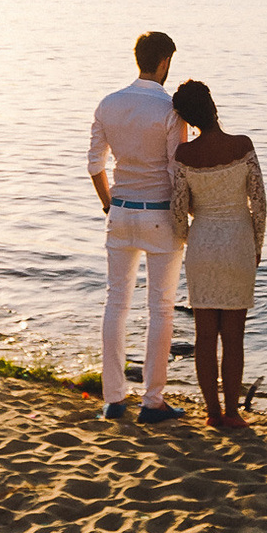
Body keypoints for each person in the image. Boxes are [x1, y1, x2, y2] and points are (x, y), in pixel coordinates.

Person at [87, 31, 186, 423]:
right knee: (160, 308)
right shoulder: (170, 108)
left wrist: (108, 202)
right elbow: (176, 170)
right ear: (164, 63)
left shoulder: (109, 103)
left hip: (121, 211)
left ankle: (113, 398)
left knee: (116, 303)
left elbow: (95, 163)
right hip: (160, 213)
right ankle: (153, 400)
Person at [169, 79, 267, 432]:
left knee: (205, 336)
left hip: (203, 245)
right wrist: (256, 247)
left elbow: (178, 210)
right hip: (238, 240)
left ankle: (211, 412)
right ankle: (233, 413)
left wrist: (186, 240)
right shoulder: (242, 145)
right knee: (234, 337)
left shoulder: (185, 155)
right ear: (213, 106)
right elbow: (259, 202)